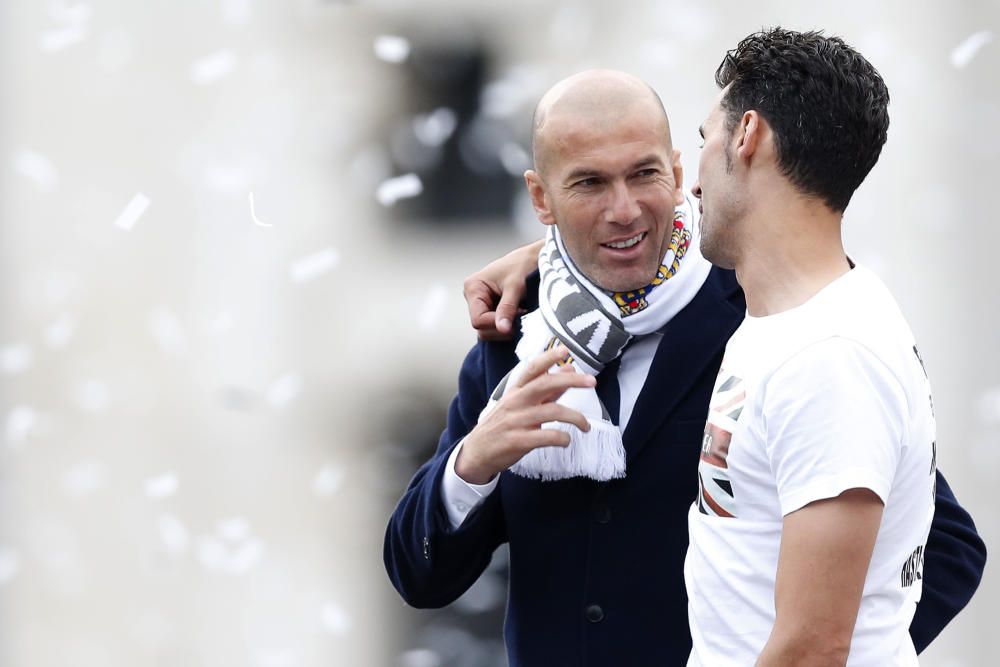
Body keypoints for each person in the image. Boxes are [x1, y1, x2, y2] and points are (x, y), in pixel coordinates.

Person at [384, 57, 986, 667]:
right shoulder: (520, 326)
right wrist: (474, 462)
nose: (623, 210)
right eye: (589, 183)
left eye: (643, 174)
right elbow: (418, 574)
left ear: (676, 171)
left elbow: (945, 551)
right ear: (542, 197)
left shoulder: (766, 314)